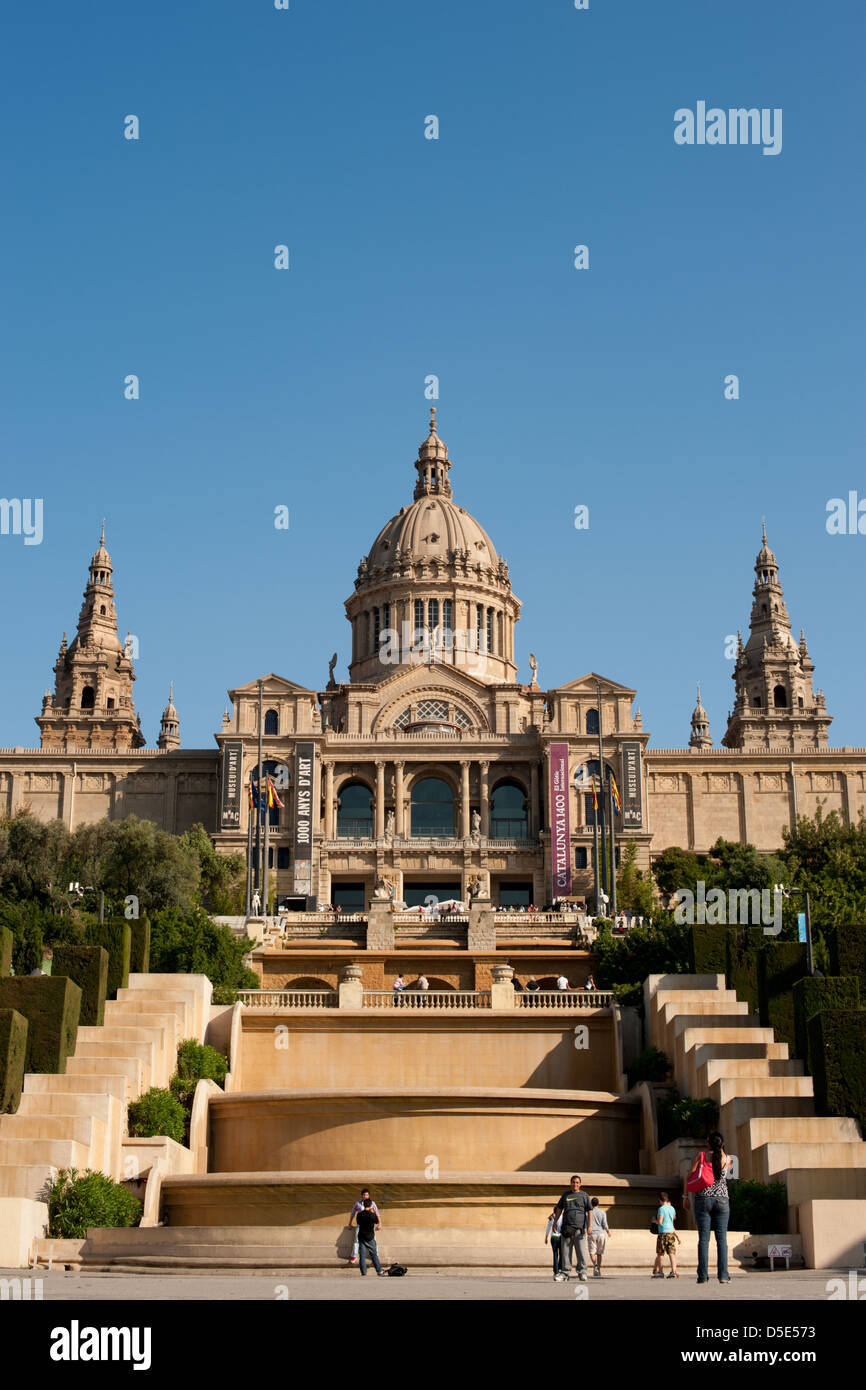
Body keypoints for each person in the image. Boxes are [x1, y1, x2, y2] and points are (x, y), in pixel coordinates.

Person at [684, 1131, 733, 1284]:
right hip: (723, 1200)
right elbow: (726, 1172)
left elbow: (690, 1176)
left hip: (702, 1199)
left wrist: (685, 1197)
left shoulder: (701, 1156)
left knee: (704, 1240)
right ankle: (723, 1275)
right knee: (722, 1239)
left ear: (708, 1143)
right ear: (723, 1144)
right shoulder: (728, 1159)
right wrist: (722, 1149)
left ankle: (703, 1276)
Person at [554, 1175, 592, 1282]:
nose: (575, 1184)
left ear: (580, 1184)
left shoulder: (584, 1195)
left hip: (579, 1229)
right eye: (573, 1182)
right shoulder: (565, 1195)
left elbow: (589, 1211)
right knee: (566, 1252)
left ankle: (582, 1272)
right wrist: (555, 1222)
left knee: (581, 1252)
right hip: (567, 1228)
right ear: (570, 1183)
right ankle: (565, 1273)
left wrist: (590, 1225)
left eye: (577, 1182)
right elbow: (559, 1209)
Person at [652, 1190, 681, 1278]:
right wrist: (677, 1237)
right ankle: (673, 1271)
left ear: (660, 1200)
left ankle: (660, 1272)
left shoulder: (661, 1209)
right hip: (671, 1234)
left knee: (660, 1254)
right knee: (671, 1253)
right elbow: (673, 1219)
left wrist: (654, 1221)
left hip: (663, 1234)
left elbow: (660, 1222)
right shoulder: (672, 1208)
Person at [348, 1188, 380, 1265]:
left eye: (367, 1195)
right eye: (364, 1195)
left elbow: (377, 1214)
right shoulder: (358, 1203)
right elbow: (353, 1213)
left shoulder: (372, 1203)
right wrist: (350, 1223)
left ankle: (375, 1256)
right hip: (360, 1225)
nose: (366, 1196)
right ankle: (354, 1256)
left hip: (370, 1226)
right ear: (362, 1195)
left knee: (373, 1240)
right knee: (356, 1240)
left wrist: (380, 1223)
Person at [353, 1198, 384, 1276]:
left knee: (362, 1255)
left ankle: (363, 1272)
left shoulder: (359, 1214)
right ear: (370, 1205)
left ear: (363, 1205)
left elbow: (358, 1222)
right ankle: (379, 1270)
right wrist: (373, 1212)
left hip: (361, 1236)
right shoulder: (372, 1215)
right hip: (370, 1237)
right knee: (373, 1254)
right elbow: (377, 1221)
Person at [588, 1197, 610, 1277]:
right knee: (599, 1253)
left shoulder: (588, 1212)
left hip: (592, 1233)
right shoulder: (602, 1212)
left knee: (592, 1251)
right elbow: (604, 1223)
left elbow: (587, 1223)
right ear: (598, 1204)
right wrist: (608, 1231)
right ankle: (599, 1270)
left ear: (591, 1204)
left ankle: (595, 1264)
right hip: (601, 1233)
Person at [545, 1206, 563, 1280]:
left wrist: (546, 1237)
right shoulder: (562, 1217)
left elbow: (548, 1228)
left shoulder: (551, 1217)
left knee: (555, 1254)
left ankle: (556, 1271)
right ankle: (560, 1268)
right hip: (560, 1237)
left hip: (553, 1237)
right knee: (561, 1254)